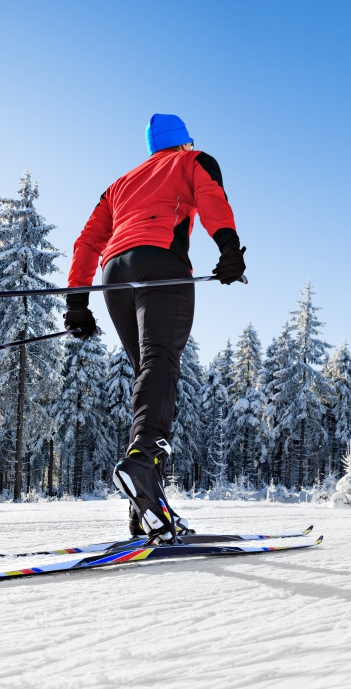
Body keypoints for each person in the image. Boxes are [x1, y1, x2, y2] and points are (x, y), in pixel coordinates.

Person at [64, 113, 246, 542]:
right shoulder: (192, 160)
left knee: (148, 375)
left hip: (114, 275)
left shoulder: (119, 184)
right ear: (183, 142)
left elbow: (87, 241)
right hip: (161, 263)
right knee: (159, 363)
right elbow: (212, 198)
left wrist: (77, 304)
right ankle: (144, 462)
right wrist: (229, 250)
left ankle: (146, 508)